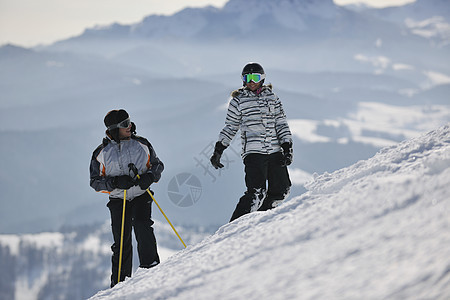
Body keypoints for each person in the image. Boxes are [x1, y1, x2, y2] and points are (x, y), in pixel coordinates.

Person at [89, 109, 164, 288]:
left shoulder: (141, 144)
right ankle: (120, 284)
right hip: (118, 200)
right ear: (114, 129)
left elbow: (157, 165)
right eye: (124, 124)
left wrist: (150, 177)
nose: (129, 126)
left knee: (142, 225)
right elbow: (95, 182)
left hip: (140, 195)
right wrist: (114, 182)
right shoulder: (101, 153)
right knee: (121, 240)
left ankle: (151, 268)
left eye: (129, 121)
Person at [210, 62, 293, 222]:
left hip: (275, 151)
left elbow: (281, 123)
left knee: (282, 190)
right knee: (256, 192)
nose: (251, 81)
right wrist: (219, 149)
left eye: (255, 77)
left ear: (262, 78)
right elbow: (231, 126)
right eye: (247, 77)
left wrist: (287, 147)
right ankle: (234, 226)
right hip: (254, 153)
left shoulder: (273, 98)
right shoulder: (238, 101)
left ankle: (260, 219)